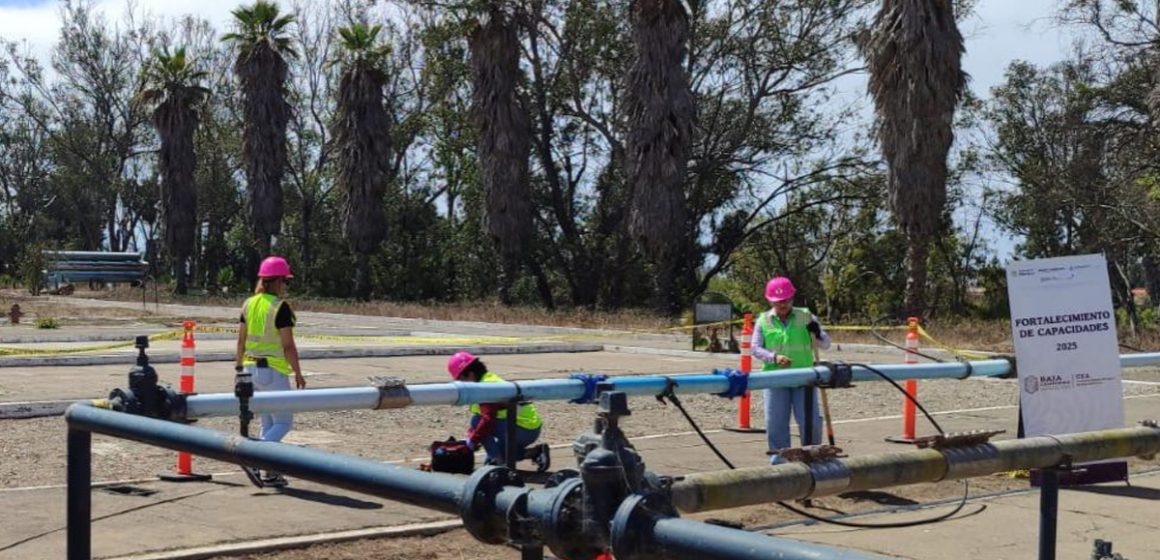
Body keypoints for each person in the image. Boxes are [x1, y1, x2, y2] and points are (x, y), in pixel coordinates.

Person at [235, 256, 306, 487]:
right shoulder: (280, 307)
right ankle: (254, 458)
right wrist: (298, 372)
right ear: (276, 281)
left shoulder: (249, 304)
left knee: (267, 423)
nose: (285, 285)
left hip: (249, 368)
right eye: (285, 281)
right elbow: (288, 346)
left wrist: (239, 369)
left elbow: (241, 341)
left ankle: (270, 472)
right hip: (272, 370)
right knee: (283, 422)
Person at [752, 276, 832, 464]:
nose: (783, 304)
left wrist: (818, 332)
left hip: (804, 379)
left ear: (792, 298)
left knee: (809, 422)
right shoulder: (763, 320)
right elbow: (755, 348)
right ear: (770, 300)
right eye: (779, 301)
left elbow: (826, 344)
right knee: (776, 423)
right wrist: (774, 357)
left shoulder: (806, 316)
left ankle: (812, 458)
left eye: (786, 300)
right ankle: (779, 462)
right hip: (775, 379)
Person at [447, 351, 550, 471]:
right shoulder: (487, 380)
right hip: (528, 427)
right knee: (504, 452)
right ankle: (536, 452)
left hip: (523, 429)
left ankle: (497, 463)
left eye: (461, 380)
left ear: (470, 374)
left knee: (477, 422)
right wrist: (471, 436)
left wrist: (473, 441)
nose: (461, 384)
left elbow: (487, 420)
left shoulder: (485, 387)